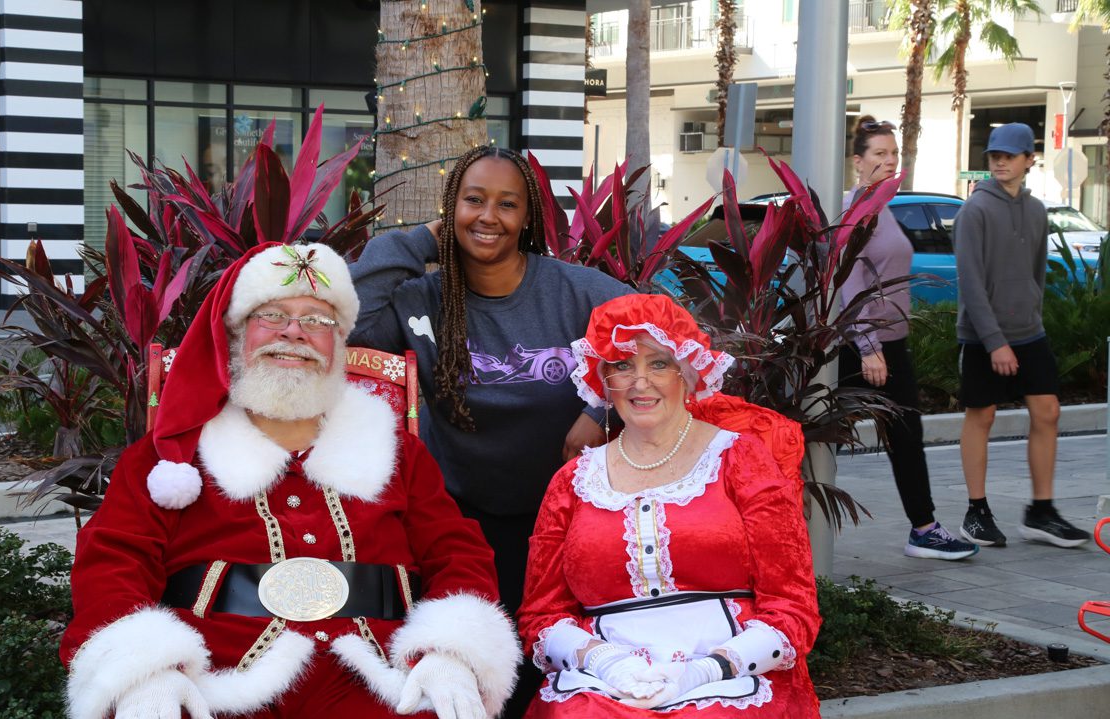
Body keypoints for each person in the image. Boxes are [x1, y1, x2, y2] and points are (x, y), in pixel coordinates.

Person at [60, 242, 521, 719]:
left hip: (383, 681)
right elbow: (114, 561)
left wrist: (449, 652)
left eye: (318, 320)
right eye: (272, 315)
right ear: (237, 334)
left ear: (338, 344)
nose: (294, 332)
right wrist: (145, 671)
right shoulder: (169, 456)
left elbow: (456, 552)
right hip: (215, 683)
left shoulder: (398, 452)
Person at [349, 145, 632, 614]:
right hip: (457, 521)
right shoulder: (421, 300)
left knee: (549, 643)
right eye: (474, 200)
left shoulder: (575, 291)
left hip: (567, 514)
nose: (488, 216)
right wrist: (418, 242)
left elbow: (665, 340)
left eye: (507, 204)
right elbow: (347, 323)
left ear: (527, 218)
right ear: (451, 208)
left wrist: (602, 409)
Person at [518, 294, 821, 717]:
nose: (640, 383)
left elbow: (792, 603)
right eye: (623, 365)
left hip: (732, 671)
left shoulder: (742, 460)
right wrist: (604, 661)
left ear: (688, 373)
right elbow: (542, 613)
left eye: (659, 363)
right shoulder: (571, 482)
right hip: (602, 680)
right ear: (603, 380)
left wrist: (708, 670)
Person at [838, 116, 979, 561]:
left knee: (906, 434)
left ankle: (924, 529)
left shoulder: (883, 208)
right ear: (858, 161)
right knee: (818, 439)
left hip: (889, 343)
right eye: (879, 154)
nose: (889, 161)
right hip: (860, 347)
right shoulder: (855, 210)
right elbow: (848, 284)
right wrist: (868, 347)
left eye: (894, 153)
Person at [954, 122, 1090, 549]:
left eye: (1009, 156)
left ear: (1030, 160)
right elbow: (970, 283)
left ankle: (1041, 512)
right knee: (982, 416)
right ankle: (976, 513)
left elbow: (1036, 273)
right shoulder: (974, 211)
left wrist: (1031, 315)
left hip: (1029, 332)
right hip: (982, 336)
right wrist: (995, 341)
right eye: (995, 155)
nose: (1000, 162)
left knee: (1048, 411)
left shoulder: (1036, 211)